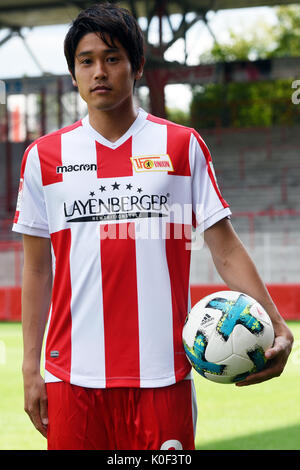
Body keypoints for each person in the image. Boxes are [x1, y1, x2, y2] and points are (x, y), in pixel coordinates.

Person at [13, 3, 293, 451]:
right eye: (86, 61)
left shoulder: (181, 146)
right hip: (71, 377)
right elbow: (36, 270)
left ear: (136, 66)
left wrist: (277, 325)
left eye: (112, 57)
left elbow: (224, 249)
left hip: (163, 376)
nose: (99, 71)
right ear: (74, 73)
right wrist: (30, 368)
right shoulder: (44, 157)